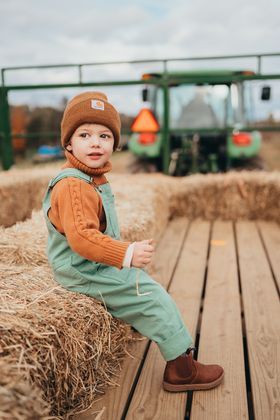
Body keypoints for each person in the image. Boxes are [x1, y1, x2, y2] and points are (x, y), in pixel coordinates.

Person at [42, 91, 224, 392]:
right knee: (153, 297)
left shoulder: (89, 178)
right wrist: (125, 252)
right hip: (81, 267)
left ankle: (142, 321)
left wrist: (124, 257)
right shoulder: (74, 186)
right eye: (85, 135)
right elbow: (83, 238)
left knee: (139, 280)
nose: (96, 142)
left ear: (115, 143)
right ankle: (181, 369)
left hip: (90, 262)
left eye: (104, 135)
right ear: (69, 143)